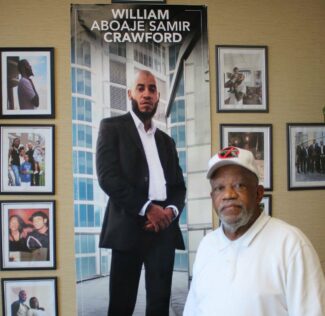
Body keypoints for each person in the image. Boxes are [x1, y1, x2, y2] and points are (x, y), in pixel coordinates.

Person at [184, 146, 325, 316]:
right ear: (212, 197)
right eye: (219, 188)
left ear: (258, 193)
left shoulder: (291, 245)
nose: (228, 195)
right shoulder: (207, 245)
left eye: (239, 185)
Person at [96, 69, 186, 316]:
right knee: (121, 307)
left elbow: (179, 188)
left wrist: (169, 211)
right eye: (141, 88)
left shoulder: (166, 142)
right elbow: (108, 178)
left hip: (163, 230)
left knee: (159, 306)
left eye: (152, 89)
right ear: (130, 94)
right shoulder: (112, 127)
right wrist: (148, 208)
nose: (147, 94)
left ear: (158, 97)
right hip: (127, 227)